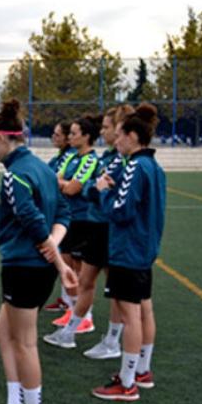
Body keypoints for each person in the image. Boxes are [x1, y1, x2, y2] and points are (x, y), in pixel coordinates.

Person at [0, 100, 77, 404]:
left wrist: (58, 260)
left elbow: (32, 221)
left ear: (4, 137)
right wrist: (54, 247)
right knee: (3, 333)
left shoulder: (16, 174)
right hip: (37, 265)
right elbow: (64, 212)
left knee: (25, 343)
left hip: (24, 267)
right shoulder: (44, 168)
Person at [90, 103, 165, 401]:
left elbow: (120, 211)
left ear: (133, 136)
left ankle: (127, 382)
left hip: (128, 249)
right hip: (143, 249)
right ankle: (142, 371)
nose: (116, 141)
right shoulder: (154, 167)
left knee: (130, 314)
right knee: (143, 310)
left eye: (120, 134)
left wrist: (102, 191)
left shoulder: (135, 166)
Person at [44, 114, 105, 346]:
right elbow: (59, 181)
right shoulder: (71, 158)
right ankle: (73, 312)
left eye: (74, 133)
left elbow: (72, 188)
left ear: (87, 137)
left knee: (79, 270)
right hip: (68, 218)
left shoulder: (90, 160)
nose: (70, 137)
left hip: (83, 219)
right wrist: (63, 183)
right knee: (67, 266)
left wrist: (64, 184)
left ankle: (85, 318)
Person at [81, 104, 135, 360]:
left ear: (121, 129)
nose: (102, 131)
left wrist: (94, 189)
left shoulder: (127, 163)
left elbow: (93, 190)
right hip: (102, 225)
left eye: (106, 127)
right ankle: (116, 343)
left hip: (111, 229)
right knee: (105, 286)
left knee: (126, 297)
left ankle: (117, 345)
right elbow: (92, 187)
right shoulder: (115, 158)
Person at [43, 120, 77, 313]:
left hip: (71, 215)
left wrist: (60, 183)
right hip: (60, 212)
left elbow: (63, 183)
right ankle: (67, 301)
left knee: (70, 262)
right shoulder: (61, 156)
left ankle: (76, 309)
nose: (54, 138)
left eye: (58, 135)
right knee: (63, 258)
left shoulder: (72, 157)